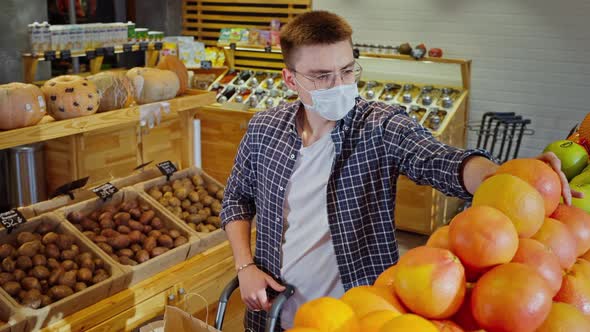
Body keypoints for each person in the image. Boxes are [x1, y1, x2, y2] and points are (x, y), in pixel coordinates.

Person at [220, 10, 577, 332]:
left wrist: (506, 175)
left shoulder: (380, 125)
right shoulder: (265, 128)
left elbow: (440, 160)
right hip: (272, 311)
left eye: (347, 70)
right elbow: (237, 198)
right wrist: (245, 267)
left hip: (362, 313)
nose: (339, 85)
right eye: (321, 76)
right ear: (290, 79)